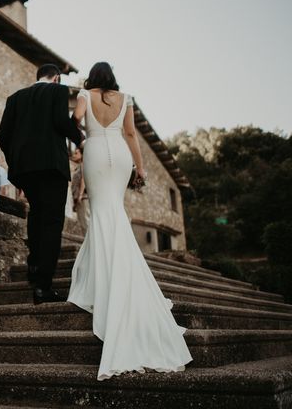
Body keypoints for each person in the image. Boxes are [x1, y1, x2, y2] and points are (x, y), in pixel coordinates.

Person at [66, 62, 192, 381]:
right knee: (115, 212)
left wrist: (79, 144)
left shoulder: (84, 94)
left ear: (93, 78)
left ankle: (103, 278)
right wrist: (140, 168)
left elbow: (75, 121)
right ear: (113, 78)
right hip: (120, 156)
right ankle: (120, 270)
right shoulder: (126, 99)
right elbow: (130, 133)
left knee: (102, 214)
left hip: (94, 151)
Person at [0, 64, 84, 304]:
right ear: (56, 78)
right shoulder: (58, 92)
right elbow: (60, 121)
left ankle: (33, 269)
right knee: (52, 222)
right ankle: (43, 286)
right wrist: (80, 139)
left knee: (36, 215)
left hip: (24, 170)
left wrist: (15, 161)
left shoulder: (15, 98)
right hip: (51, 167)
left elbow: (3, 134)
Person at [70, 146, 89, 236]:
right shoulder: (79, 166)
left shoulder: (83, 165)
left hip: (83, 197)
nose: (74, 155)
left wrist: (80, 195)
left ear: (82, 155)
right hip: (78, 197)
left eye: (76, 153)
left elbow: (83, 180)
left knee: (85, 222)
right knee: (82, 222)